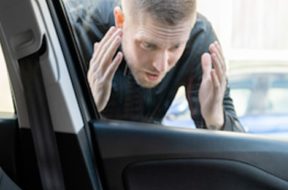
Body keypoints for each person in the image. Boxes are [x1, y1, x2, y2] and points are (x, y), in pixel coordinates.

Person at [68, 0, 244, 131]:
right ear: (120, 20)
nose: (161, 66)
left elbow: (238, 150)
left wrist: (215, 119)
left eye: (175, 46)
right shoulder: (74, 30)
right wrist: (86, 106)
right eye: (148, 45)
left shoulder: (199, 39)